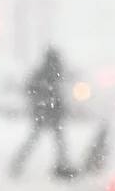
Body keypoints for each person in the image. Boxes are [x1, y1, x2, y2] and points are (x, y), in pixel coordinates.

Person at [8, 47, 75, 180]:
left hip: (47, 111)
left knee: (45, 140)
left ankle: (19, 163)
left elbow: (33, 89)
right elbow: (32, 89)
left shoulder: (50, 72)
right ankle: (61, 165)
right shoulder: (49, 73)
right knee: (52, 141)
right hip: (47, 111)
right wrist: (45, 100)